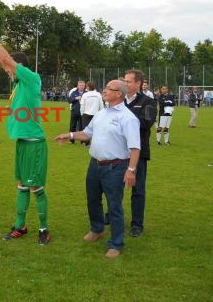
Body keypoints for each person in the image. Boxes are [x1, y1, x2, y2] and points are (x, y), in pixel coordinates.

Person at [0, 24, 51, 245]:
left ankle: (44, 229)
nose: (8, 70)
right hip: (22, 142)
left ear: (21, 67)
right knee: (21, 185)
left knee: (35, 187)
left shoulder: (31, 78)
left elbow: (6, 61)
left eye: (13, 66)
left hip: (34, 144)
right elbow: (3, 62)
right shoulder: (18, 84)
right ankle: (21, 226)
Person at [55, 79, 140, 258]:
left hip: (116, 168)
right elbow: (87, 133)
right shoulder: (102, 113)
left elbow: (135, 147)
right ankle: (97, 229)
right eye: (106, 87)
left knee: (114, 205)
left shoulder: (128, 117)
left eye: (110, 88)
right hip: (95, 165)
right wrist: (69, 134)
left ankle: (116, 244)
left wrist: (131, 170)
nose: (105, 90)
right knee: (92, 200)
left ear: (119, 94)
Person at [123, 70, 157, 237]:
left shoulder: (149, 102)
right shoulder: (118, 101)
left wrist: (122, 119)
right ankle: (112, 215)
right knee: (114, 187)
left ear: (138, 84)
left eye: (129, 81)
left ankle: (137, 224)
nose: (125, 84)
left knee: (137, 189)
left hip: (138, 152)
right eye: (124, 81)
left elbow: (146, 122)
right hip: (118, 152)